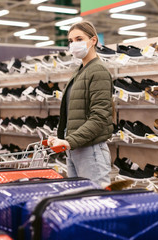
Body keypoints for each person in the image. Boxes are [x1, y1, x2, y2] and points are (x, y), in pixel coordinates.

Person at [48, 21, 113, 187]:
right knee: (81, 204)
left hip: (91, 151)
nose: (74, 44)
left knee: (96, 207)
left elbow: (99, 117)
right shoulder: (80, 71)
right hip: (75, 149)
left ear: (93, 40)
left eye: (79, 38)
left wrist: (70, 141)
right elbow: (76, 114)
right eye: (70, 41)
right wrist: (62, 137)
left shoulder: (98, 71)